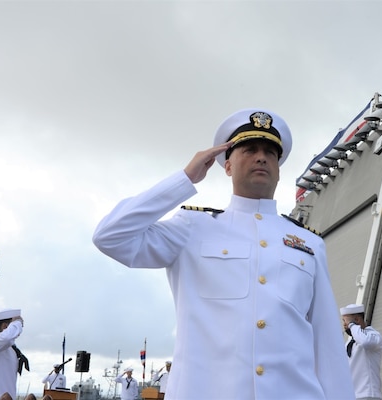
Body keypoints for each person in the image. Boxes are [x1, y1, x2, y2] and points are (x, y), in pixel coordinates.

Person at [93, 109, 355, 399]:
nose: (261, 157)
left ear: (279, 169)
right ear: (227, 165)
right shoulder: (192, 228)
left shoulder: (309, 243)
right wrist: (184, 179)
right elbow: (110, 236)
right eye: (250, 149)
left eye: (270, 152)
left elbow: (328, 345)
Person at [341, 303, 382, 400]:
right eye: (343, 321)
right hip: (352, 395)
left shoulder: (373, 336)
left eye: (347, 322)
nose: (344, 325)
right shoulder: (349, 342)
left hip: (368, 394)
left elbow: (365, 341)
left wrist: (352, 325)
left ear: (357, 320)